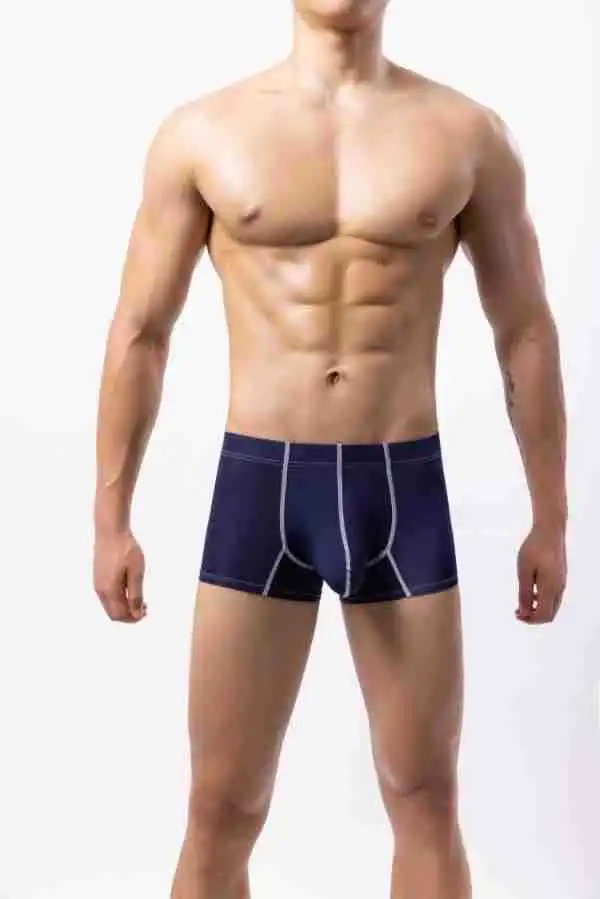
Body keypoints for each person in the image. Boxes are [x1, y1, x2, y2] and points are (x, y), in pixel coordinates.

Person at [93, 1, 568, 896]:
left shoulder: (466, 134)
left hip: (401, 488)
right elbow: (141, 330)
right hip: (259, 487)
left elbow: (526, 331)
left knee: (426, 797)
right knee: (221, 806)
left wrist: (551, 516)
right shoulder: (205, 133)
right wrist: (110, 516)